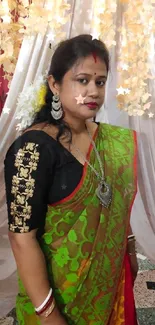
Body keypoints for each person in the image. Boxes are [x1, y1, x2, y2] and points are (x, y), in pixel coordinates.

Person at [4, 34, 138, 325]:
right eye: (82, 80)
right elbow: (21, 238)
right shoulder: (32, 150)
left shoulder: (109, 140)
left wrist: (128, 246)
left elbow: (117, 199)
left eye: (99, 82)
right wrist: (49, 315)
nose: (92, 92)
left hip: (107, 288)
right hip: (57, 299)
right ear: (55, 84)